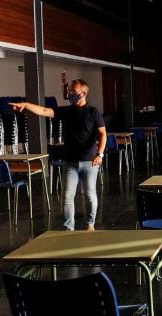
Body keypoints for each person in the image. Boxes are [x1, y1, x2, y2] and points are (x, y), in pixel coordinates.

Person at [9, 79, 106, 231]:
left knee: (90, 196)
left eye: (74, 92)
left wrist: (100, 154)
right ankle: (69, 229)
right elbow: (43, 111)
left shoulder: (93, 112)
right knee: (67, 197)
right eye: (70, 91)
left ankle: (90, 224)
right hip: (70, 162)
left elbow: (103, 134)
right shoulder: (67, 111)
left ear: (84, 93)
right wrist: (26, 105)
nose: (71, 94)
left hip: (90, 161)